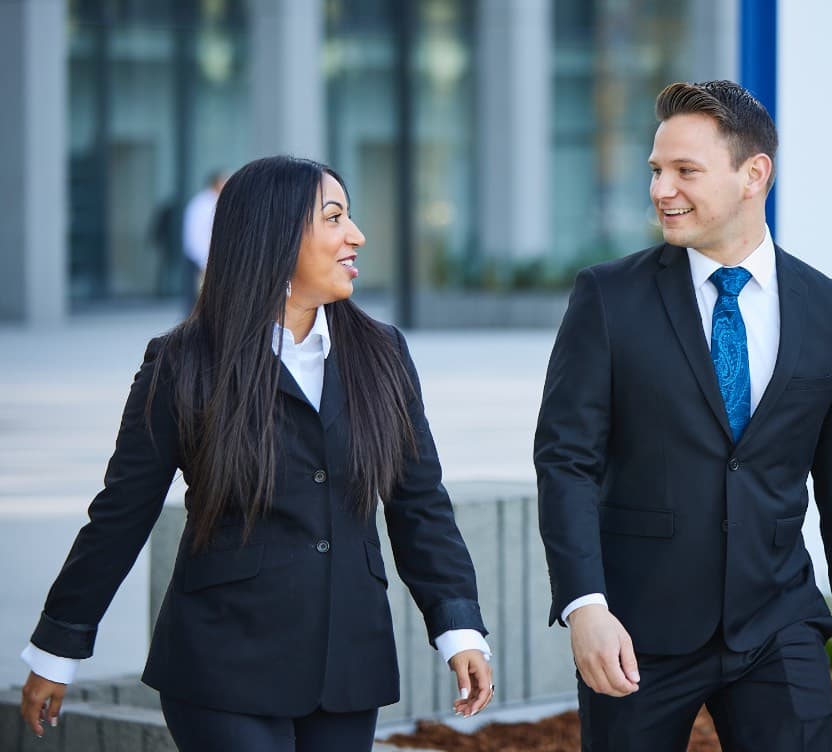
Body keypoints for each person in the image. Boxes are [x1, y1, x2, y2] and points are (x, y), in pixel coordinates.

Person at [19, 156, 494, 751]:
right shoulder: (182, 362)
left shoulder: (383, 352)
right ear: (273, 235)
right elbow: (122, 512)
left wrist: (458, 627)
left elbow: (419, 502)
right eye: (334, 217)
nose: (357, 235)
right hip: (223, 666)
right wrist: (58, 646)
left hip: (348, 666)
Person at [534, 81, 832, 751]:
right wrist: (586, 607)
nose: (661, 189)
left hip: (777, 621)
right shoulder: (608, 299)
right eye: (656, 171)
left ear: (755, 174)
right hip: (635, 632)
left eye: (685, 171)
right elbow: (565, 463)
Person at [181, 171, 226, 314]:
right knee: (198, 304)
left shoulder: (212, 202)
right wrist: (205, 262)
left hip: (205, 260)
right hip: (201, 261)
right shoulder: (203, 205)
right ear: (217, 183)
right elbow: (197, 237)